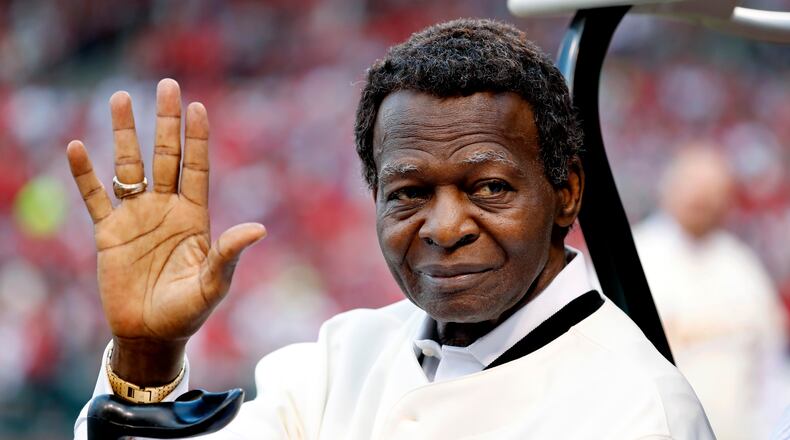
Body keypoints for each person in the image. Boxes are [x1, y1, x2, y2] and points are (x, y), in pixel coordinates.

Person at [72, 19, 713, 439]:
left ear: (566, 191)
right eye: (409, 193)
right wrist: (146, 355)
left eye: (488, 187)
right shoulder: (341, 357)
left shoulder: (637, 412)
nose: (446, 225)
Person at [634, 146, 787, 440]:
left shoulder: (743, 268)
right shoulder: (635, 258)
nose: (701, 198)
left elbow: (771, 370)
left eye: (713, 190)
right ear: (669, 186)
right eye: (693, 185)